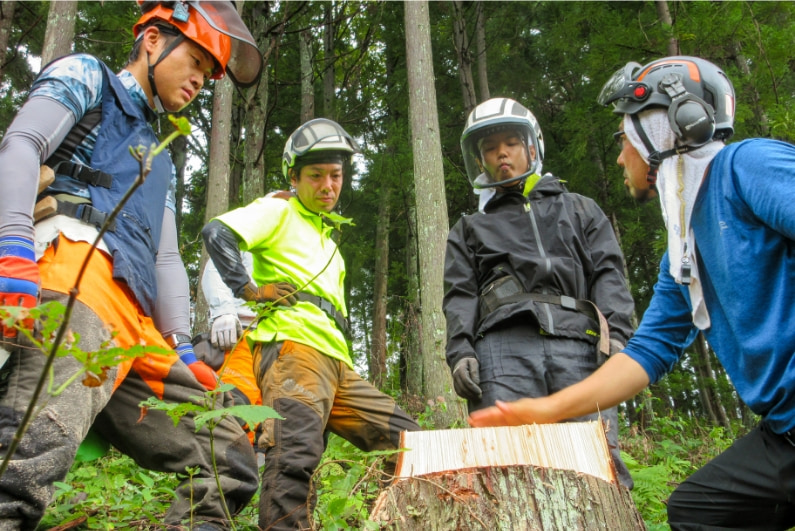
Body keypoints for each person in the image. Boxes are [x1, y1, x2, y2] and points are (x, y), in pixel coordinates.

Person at [469, 56, 795, 529]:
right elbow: (648, 351)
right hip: (785, 434)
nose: (621, 156)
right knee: (699, 510)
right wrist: (546, 408)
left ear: (664, 129)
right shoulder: (682, 251)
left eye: (625, 139)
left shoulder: (747, 166)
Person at [0, 2, 264, 528]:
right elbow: (22, 144)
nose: (199, 81)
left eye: (209, 76)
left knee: (229, 455)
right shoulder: (86, 76)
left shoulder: (162, 156)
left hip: (136, 332)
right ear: (150, 40)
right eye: (193, 61)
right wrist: (12, 246)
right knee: (26, 467)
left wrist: (183, 348)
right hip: (72, 284)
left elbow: (165, 255)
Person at [202, 117, 421, 530]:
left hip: (337, 367)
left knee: (413, 442)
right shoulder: (279, 210)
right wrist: (249, 291)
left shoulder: (329, 244)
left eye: (335, 176)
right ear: (294, 177)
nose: (327, 186)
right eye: (316, 176)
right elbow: (218, 233)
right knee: (294, 457)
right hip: (293, 354)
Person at [444, 97, 636, 488]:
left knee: (598, 467)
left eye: (510, 143)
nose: (501, 154)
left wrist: (619, 338)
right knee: (506, 471)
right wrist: (461, 351)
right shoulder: (469, 228)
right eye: (489, 148)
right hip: (502, 350)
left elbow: (608, 275)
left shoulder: (580, 209)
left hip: (581, 344)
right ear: (479, 159)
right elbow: (460, 294)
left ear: (532, 146)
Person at [199, 250, 262, 443]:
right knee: (234, 414)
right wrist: (223, 310)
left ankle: (259, 468)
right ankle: (222, 470)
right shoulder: (248, 229)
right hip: (242, 332)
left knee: (270, 423)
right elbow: (216, 266)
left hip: (283, 342)